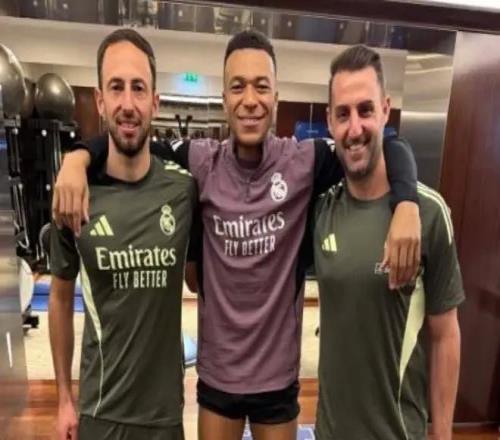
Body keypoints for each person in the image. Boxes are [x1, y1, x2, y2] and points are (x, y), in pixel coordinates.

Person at [52, 31, 421, 440]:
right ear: (224, 98)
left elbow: (382, 144)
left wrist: (406, 200)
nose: (250, 100)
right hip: (219, 376)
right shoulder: (199, 161)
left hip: (277, 379)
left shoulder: (305, 161)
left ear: (276, 98)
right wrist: (76, 157)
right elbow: (129, 139)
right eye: (238, 86)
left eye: (261, 87)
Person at [48, 28, 196, 440]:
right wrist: (64, 399)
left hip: (164, 416)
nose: (128, 104)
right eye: (116, 88)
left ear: (155, 102)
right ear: (100, 101)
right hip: (101, 412)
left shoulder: (183, 189)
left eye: (138, 88)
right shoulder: (73, 196)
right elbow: (60, 298)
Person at [313, 44, 464, 440]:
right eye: (343, 114)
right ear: (329, 121)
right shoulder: (321, 211)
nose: (354, 128)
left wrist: (442, 434)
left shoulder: (429, 214)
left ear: (385, 110)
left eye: (365, 110)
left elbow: (445, 333)